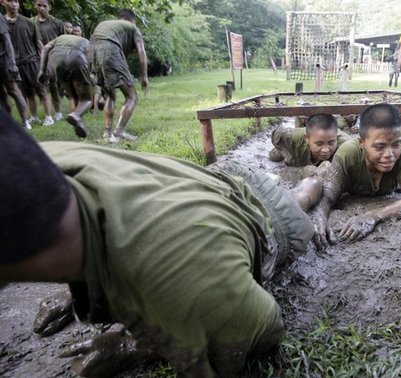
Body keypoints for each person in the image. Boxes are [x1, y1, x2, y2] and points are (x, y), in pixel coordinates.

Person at [0, 108, 324, 377]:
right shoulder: (32, 156)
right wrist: (80, 286)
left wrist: (136, 345)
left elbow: (267, 330)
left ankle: (317, 178)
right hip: (207, 179)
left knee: (298, 200)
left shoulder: (190, 281)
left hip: (271, 213)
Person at [314, 103, 401, 248]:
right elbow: (327, 197)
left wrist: (373, 216)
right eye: (379, 147)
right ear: (361, 142)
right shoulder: (348, 153)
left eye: (395, 145)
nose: (389, 155)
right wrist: (320, 216)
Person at [88, 8, 149, 143]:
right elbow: (142, 53)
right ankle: (119, 130)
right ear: (132, 20)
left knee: (110, 95)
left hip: (92, 54)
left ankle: (107, 133)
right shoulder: (132, 27)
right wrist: (144, 76)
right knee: (132, 96)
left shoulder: (106, 25)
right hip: (110, 51)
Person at [2, 0, 53, 126]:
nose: (14, 4)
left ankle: (48, 116)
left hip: (32, 61)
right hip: (14, 64)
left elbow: (39, 44)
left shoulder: (29, 22)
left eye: (16, 1)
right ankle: (33, 116)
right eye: (10, 1)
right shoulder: (2, 21)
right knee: (25, 93)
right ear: (2, 3)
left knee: (41, 90)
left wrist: (45, 64)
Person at [38, 34, 93, 138]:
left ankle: (78, 123)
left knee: (73, 96)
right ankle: (76, 115)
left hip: (56, 62)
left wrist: (42, 70)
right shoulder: (86, 41)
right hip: (76, 58)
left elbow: (45, 48)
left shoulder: (59, 38)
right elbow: (90, 57)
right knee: (87, 99)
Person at [269, 113, 350, 171]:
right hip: (297, 147)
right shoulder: (294, 137)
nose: (325, 150)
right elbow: (276, 134)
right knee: (273, 157)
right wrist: (286, 154)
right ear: (307, 138)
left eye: (331, 143)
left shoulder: (346, 147)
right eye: (319, 144)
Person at [33, 0, 65, 122]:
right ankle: (46, 115)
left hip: (54, 59)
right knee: (41, 87)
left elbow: (63, 40)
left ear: (49, 7)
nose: (41, 8)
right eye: (39, 5)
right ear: (35, 6)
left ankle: (58, 112)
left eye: (44, 6)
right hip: (37, 59)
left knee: (54, 87)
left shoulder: (57, 23)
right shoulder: (31, 22)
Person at [0, 11, 30, 128]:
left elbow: (7, 40)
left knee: (14, 91)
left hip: (4, 60)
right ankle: (8, 123)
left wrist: (12, 63)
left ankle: (25, 122)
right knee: (1, 95)